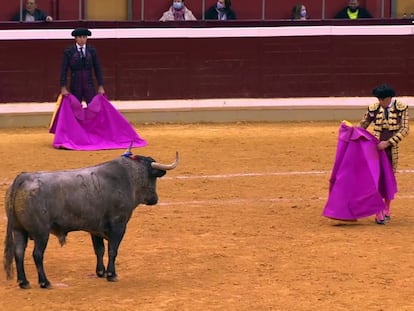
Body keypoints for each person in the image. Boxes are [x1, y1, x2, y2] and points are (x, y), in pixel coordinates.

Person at [359, 84, 409, 224]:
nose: (380, 102)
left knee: (388, 179)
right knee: (376, 179)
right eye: (378, 99)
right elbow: (363, 125)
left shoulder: (401, 108)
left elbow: (405, 130)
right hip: (376, 149)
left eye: (382, 99)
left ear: (389, 98)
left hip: (391, 148)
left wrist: (388, 143)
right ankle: (378, 210)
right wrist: (350, 131)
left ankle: (386, 208)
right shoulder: (374, 108)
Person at [60, 28, 105, 105]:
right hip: (75, 84)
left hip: (89, 83)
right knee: (75, 107)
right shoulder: (69, 51)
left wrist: (101, 85)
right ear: (76, 38)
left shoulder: (91, 50)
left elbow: (97, 68)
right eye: (80, 37)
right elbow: (64, 70)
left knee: (93, 106)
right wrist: (63, 87)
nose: (82, 39)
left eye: (84, 37)